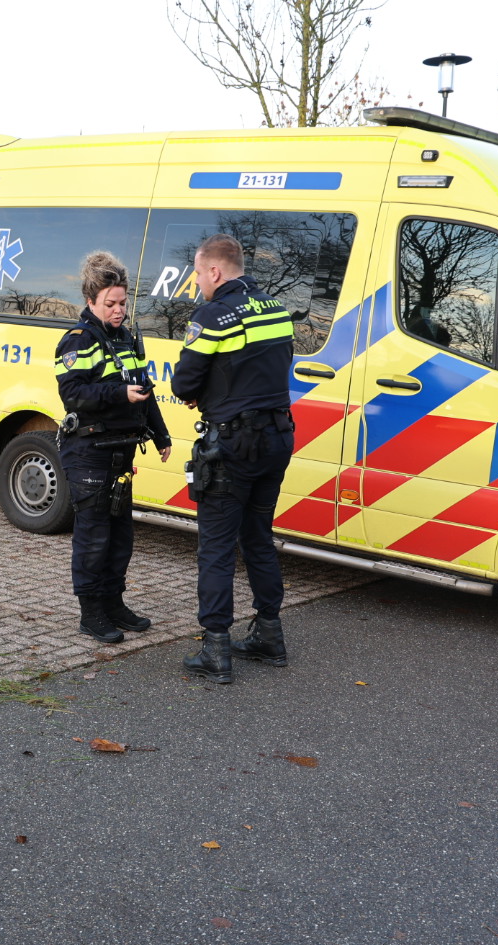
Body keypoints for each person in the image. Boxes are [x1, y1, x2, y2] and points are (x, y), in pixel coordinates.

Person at [170, 233, 296, 682]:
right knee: (258, 537)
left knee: (217, 548)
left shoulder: (214, 316)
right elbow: (264, 370)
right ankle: (269, 635)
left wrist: (208, 393)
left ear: (215, 271)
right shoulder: (278, 311)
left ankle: (216, 649)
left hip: (232, 448)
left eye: (200, 275)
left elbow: (184, 383)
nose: (199, 284)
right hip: (278, 439)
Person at [54, 251, 173, 643]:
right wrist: (119, 393)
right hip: (89, 452)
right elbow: (73, 394)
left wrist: (161, 435)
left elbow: (145, 391)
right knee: (93, 537)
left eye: (123, 302)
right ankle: (91, 613)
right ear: (91, 301)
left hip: (122, 452)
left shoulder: (126, 338)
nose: (119, 310)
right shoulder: (77, 341)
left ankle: (114, 604)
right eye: (111, 304)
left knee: (120, 537)